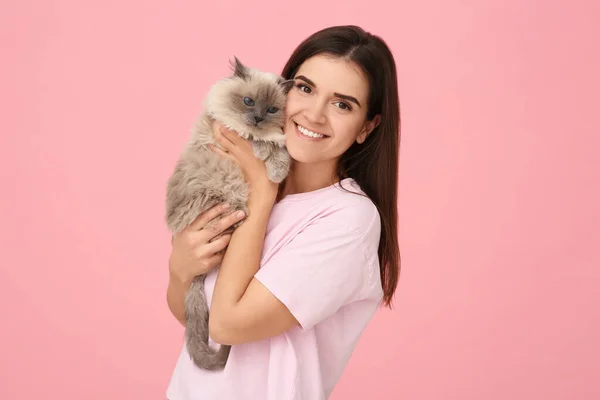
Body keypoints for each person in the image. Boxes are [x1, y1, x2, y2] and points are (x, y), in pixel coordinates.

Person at [165, 25, 401, 399]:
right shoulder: (238, 179)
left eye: (342, 104)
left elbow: (227, 325)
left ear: (367, 127)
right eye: (305, 89)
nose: (314, 115)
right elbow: (198, 323)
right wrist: (179, 271)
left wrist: (261, 193)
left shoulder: (348, 220)